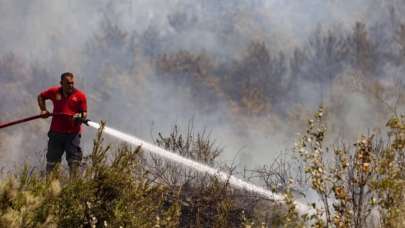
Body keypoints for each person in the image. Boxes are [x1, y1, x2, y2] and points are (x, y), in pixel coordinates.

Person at [37, 72, 87, 176]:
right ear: (61, 83)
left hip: (72, 135)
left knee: (74, 163)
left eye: (72, 83)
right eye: (68, 83)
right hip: (56, 134)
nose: (71, 85)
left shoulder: (80, 96)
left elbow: (84, 113)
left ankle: (74, 189)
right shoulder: (54, 92)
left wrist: (79, 116)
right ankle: (51, 189)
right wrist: (43, 110)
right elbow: (41, 96)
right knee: (52, 164)